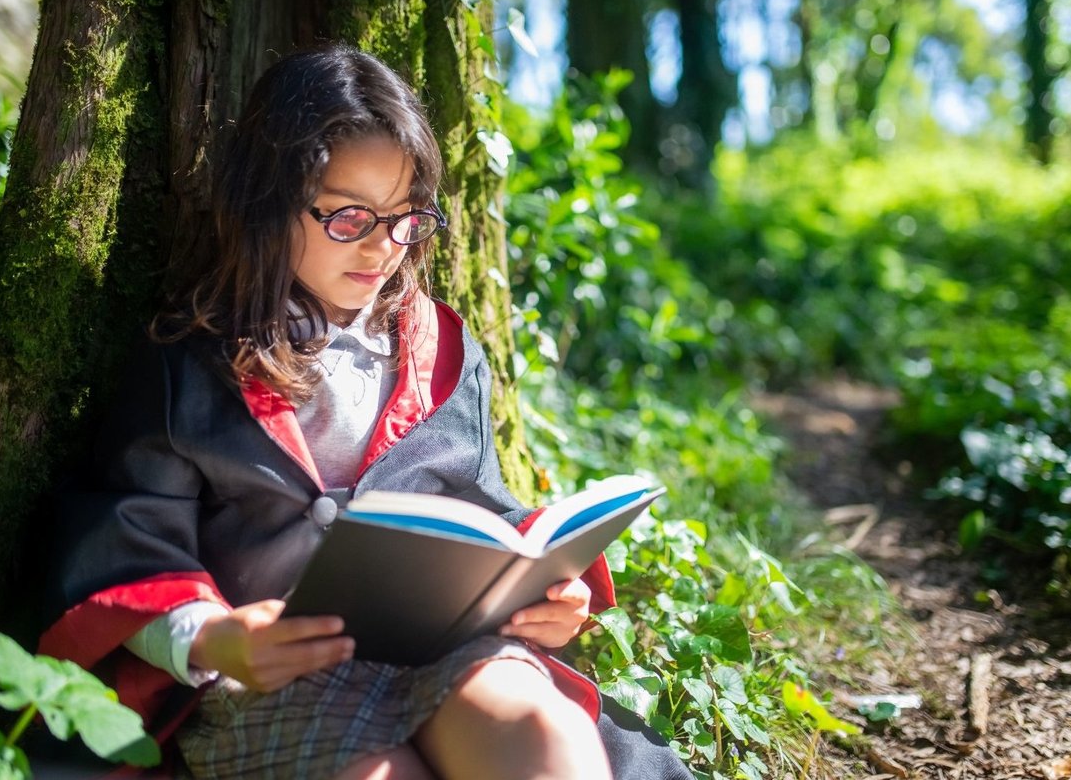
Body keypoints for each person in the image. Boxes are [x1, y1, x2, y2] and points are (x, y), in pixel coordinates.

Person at [38, 45, 693, 780]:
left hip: (441, 650)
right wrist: (215, 636)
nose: (385, 245)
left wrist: (544, 592)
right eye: (350, 216)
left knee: (546, 738)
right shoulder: (187, 362)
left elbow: (483, 515)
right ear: (267, 203)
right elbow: (129, 546)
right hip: (273, 680)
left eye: (407, 216)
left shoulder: (441, 348)